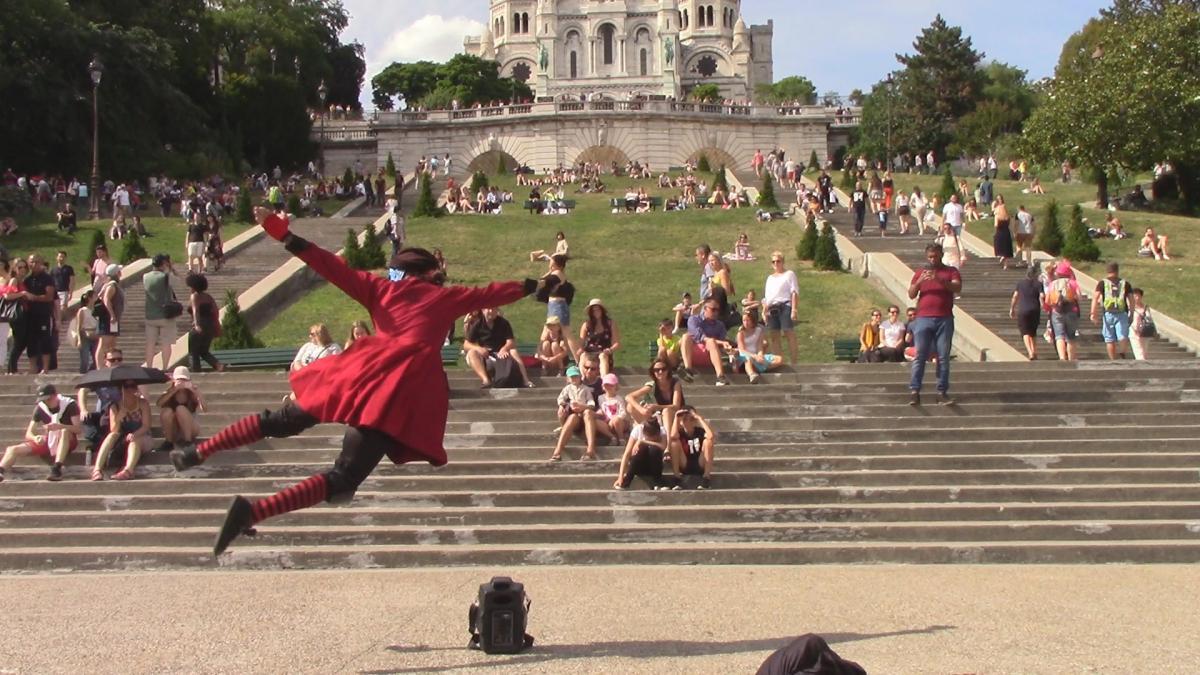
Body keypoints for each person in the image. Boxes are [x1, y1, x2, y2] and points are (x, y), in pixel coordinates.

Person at [170, 209, 554, 556]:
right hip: (394, 395)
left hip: (357, 375)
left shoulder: (379, 289)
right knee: (343, 479)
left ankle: (198, 452)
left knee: (281, 420)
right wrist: (536, 284)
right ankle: (252, 512)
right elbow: (492, 292)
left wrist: (286, 236)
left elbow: (330, 266)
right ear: (430, 274)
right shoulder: (446, 298)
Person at [907, 243, 962, 406]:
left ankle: (941, 392)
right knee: (920, 356)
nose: (932, 259)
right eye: (930, 257)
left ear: (941, 255)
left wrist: (939, 279)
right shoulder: (920, 272)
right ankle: (915, 391)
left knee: (943, 357)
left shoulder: (950, 271)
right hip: (923, 318)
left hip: (944, 318)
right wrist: (920, 281)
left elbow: (957, 287)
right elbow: (911, 294)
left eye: (935, 256)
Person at [0, 384, 81, 482]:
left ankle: (57, 468)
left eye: (49, 399)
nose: (46, 402)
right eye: (44, 400)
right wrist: (35, 438)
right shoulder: (41, 408)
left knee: (64, 431)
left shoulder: (70, 405)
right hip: (49, 440)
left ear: (55, 395)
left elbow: (78, 429)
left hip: (68, 439)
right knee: (12, 449)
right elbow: (29, 433)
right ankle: (1, 470)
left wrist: (60, 426)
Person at [91, 379, 152, 481]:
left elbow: (146, 426)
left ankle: (128, 471)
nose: (130, 390)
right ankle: (97, 470)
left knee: (135, 441)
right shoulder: (114, 406)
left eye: (133, 386)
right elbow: (114, 429)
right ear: (121, 389)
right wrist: (119, 416)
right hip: (122, 439)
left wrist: (135, 434)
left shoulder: (143, 403)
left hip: (141, 436)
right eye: (126, 387)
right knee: (112, 435)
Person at [464, 307, 534, 388]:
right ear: (483, 310)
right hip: (486, 355)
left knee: (513, 351)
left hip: (502, 354)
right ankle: (486, 380)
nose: (491, 311)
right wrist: (478, 348)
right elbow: (466, 344)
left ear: (497, 310)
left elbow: (511, 341)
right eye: (488, 309)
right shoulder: (478, 324)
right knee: (471, 352)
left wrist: (504, 349)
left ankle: (525, 380)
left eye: (493, 309)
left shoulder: (503, 323)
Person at [625, 358, 685, 437]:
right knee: (630, 406)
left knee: (667, 411)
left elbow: (676, 406)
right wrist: (641, 409)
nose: (660, 372)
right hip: (660, 415)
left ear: (668, 370)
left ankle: (667, 439)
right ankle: (646, 431)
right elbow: (628, 397)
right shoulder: (652, 384)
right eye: (657, 370)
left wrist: (657, 407)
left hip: (677, 414)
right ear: (653, 372)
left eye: (663, 369)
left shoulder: (675, 383)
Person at [681, 297, 734, 386]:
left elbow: (721, 344)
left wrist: (727, 348)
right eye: (713, 309)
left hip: (711, 356)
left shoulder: (720, 325)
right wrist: (719, 342)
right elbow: (698, 335)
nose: (716, 312)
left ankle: (720, 376)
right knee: (685, 337)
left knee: (711, 342)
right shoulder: (694, 319)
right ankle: (688, 370)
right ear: (705, 308)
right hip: (693, 354)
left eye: (717, 310)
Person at [550, 365, 599, 461]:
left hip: (584, 414)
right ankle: (558, 451)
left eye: (576, 376)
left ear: (580, 377)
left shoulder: (585, 389)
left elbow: (591, 402)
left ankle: (590, 449)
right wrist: (562, 405)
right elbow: (561, 398)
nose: (574, 379)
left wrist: (583, 407)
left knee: (588, 412)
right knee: (572, 417)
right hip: (574, 414)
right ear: (568, 379)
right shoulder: (568, 388)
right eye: (572, 377)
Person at [19, 253, 56, 374]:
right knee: (31, 341)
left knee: (45, 340)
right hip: (30, 315)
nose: (33, 264)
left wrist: (34, 297)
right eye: (31, 262)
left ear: (41, 263)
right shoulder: (27, 279)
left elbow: (49, 296)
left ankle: (45, 368)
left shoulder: (47, 278)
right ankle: (33, 367)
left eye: (36, 262)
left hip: (43, 314)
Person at [1090, 261, 1133, 361]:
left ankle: (1113, 360)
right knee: (1123, 335)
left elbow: (1095, 298)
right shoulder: (1125, 283)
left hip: (1108, 314)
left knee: (1109, 339)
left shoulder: (1102, 283)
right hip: (1122, 313)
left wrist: (1093, 313)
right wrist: (1131, 314)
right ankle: (1122, 353)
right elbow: (1132, 300)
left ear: (1107, 271)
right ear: (1117, 270)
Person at [157, 366, 206, 452]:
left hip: (191, 427)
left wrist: (197, 393)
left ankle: (188, 441)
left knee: (180, 409)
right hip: (175, 429)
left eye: (184, 380)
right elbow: (159, 404)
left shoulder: (192, 393)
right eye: (179, 380)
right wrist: (174, 390)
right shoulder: (170, 391)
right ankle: (169, 441)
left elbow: (205, 409)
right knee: (167, 412)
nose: (182, 382)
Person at [613, 417, 670, 490]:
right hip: (639, 465)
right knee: (641, 448)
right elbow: (627, 454)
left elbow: (663, 446)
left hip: (655, 466)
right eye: (650, 437)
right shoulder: (638, 430)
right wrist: (620, 477)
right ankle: (628, 479)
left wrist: (643, 441)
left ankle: (658, 482)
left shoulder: (662, 431)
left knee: (654, 449)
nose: (653, 439)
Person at [540, 253, 580, 358]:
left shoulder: (557, 273)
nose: (550, 266)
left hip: (558, 306)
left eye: (552, 264)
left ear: (558, 265)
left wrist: (549, 272)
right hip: (554, 306)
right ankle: (543, 358)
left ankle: (578, 359)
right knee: (548, 332)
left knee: (567, 333)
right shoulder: (556, 273)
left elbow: (543, 282)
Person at [763, 251, 799, 364]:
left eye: (778, 261)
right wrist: (764, 311)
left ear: (782, 262)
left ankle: (794, 362)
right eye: (773, 261)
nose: (776, 263)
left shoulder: (789, 274)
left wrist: (794, 309)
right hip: (772, 308)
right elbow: (767, 297)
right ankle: (779, 362)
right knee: (774, 336)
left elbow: (794, 292)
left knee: (788, 333)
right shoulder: (770, 278)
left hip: (785, 305)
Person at [143, 253, 179, 369]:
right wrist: (170, 269)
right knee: (166, 343)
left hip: (150, 315)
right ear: (163, 264)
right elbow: (178, 282)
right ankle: (165, 367)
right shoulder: (166, 276)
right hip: (166, 315)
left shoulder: (145, 277)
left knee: (150, 344)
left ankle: (149, 367)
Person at [669, 406, 715, 489]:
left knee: (708, 442)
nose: (688, 422)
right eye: (685, 419)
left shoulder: (700, 431)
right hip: (685, 463)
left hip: (700, 462)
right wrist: (676, 418)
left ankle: (706, 478)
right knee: (674, 443)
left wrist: (699, 418)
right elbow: (673, 437)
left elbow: (711, 436)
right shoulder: (679, 432)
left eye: (691, 419)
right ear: (681, 421)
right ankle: (677, 478)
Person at [186, 272, 223, 372]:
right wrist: (215, 325)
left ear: (193, 286)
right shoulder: (208, 297)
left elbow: (195, 310)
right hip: (210, 325)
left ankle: (196, 372)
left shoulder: (194, 296)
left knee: (193, 352)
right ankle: (218, 365)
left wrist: (196, 324)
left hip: (200, 325)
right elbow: (215, 311)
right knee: (204, 351)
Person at [1048, 261, 1082, 361]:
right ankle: (1071, 358)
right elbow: (1079, 297)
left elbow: (1048, 299)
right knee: (1071, 336)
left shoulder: (1053, 284)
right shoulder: (1073, 283)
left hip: (1057, 312)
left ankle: (1062, 358)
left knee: (1059, 336)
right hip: (1071, 311)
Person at [735, 311, 781, 383]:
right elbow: (742, 350)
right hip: (745, 356)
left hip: (756, 355)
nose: (746, 323)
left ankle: (760, 368)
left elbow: (759, 345)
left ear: (752, 320)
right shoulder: (740, 333)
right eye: (744, 320)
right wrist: (755, 356)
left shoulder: (759, 330)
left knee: (779, 359)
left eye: (748, 320)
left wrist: (760, 355)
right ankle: (752, 374)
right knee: (748, 359)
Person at [1010, 266, 1044, 360]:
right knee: (1033, 332)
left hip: (1023, 310)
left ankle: (1030, 352)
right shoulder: (1039, 284)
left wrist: (1012, 308)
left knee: (1025, 332)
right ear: (1035, 274)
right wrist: (1042, 304)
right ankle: (1034, 351)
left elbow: (1015, 296)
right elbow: (1042, 295)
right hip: (1035, 310)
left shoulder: (1020, 283)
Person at [93, 263, 124, 369]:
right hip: (108, 319)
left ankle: (108, 364)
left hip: (113, 320)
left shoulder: (112, 285)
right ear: (117, 273)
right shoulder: (111, 286)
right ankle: (100, 367)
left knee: (111, 344)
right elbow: (106, 300)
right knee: (103, 344)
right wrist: (112, 315)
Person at [580, 298, 620, 376]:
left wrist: (610, 350)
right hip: (590, 353)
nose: (596, 312)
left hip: (604, 352)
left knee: (602, 356)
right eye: (593, 311)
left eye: (598, 310)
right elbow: (581, 343)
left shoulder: (610, 323)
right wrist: (580, 350)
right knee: (583, 356)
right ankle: (583, 377)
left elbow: (617, 343)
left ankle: (604, 378)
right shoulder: (586, 325)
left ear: (602, 310)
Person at [595, 373, 631, 445]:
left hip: (619, 422)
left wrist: (617, 418)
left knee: (616, 420)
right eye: (606, 385)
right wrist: (599, 413)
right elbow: (601, 409)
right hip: (607, 422)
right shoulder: (600, 398)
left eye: (611, 385)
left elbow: (623, 412)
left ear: (616, 386)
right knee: (595, 422)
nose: (608, 387)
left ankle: (621, 438)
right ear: (603, 387)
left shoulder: (619, 398)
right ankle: (612, 437)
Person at [70, 289, 99, 373]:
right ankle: (82, 374)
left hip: (95, 335)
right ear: (90, 298)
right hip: (85, 335)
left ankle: (91, 373)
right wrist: (79, 339)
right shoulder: (82, 310)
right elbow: (78, 326)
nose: (97, 297)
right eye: (95, 296)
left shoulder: (97, 309)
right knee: (85, 360)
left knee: (96, 359)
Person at [50, 250, 75, 320]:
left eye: (63, 257)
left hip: (64, 291)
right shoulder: (53, 269)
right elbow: (50, 281)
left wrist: (70, 292)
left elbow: (72, 280)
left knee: (63, 307)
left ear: (65, 258)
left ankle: (61, 320)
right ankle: (59, 321)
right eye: (60, 256)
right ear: (57, 257)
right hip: (55, 292)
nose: (61, 258)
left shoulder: (69, 269)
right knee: (55, 308)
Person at [1129, 288, 1152, 360]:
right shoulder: (1129, 308)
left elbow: (1149, 318)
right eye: (1135, 296)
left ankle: (1143, 363)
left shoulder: (1145, 307)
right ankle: (1142, 364)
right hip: (1134, 332)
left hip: (1145, 331)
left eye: (1138, 296)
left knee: (1144, 351)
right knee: (1138, 351)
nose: (1137, 298)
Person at [992, 195, 1014, 270]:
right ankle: (1004, 262)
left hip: (1002, 229)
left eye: (1000, 199)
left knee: (1004, 248)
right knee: (1004, 248)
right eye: (999, 199)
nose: (1000, 200)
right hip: (1002, 229)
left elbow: (997, 223)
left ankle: (1005, 262)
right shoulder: (1001, 209)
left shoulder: (1000, 208)